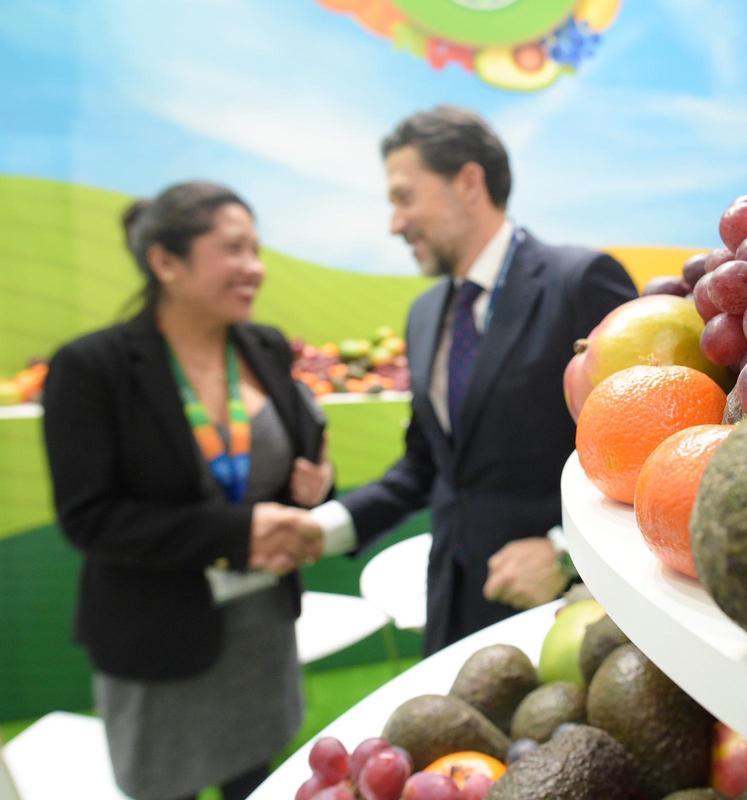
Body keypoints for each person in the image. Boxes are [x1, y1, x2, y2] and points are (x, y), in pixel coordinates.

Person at [305, 105, 638, 654]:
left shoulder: (579, 282)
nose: (394, 223)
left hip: (560, 619)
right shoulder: (424, 315)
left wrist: (561, 553)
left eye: (404, 197)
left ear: (467, 182)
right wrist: (324, 528)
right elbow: (427, 465)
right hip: (450, 608)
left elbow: (639, 455)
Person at [41, 181, 333, 800]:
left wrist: (311, 483)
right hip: (160, 641)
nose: (255, 268)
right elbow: (89, 519)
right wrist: (237, 533)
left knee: (259, 776)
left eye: (257, 249)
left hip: (260, 627)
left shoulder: (263, 345)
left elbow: (291, 452)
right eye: (234, 249)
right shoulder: (93, 369)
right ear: (166, 262)